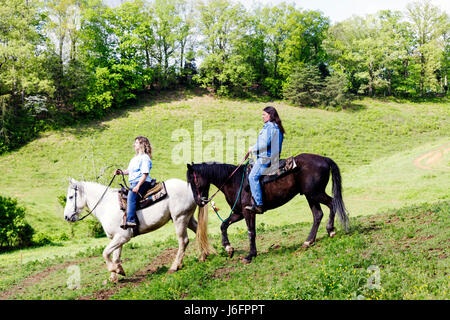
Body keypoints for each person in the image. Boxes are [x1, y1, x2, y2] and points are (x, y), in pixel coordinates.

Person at [245, 106, 285, 214]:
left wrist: (252, 148)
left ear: (270, 115)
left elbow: (264, 144)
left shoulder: (271, 127)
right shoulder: (274, 126)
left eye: (264, 114)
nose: (262, 116)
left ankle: (258, 204)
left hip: (266, 158)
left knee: (252, 177)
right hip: (269, 156)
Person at [115, 136, 153, 228]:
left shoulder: (145, 158)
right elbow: (129, 171)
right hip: (134, 182)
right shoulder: (134, 158)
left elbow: (145, 174)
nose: (134, 145)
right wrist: (120, 172)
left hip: (142, 182)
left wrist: (138, 186)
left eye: (136, 143)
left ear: (142, 144)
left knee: (131, 197)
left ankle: (131, 220)